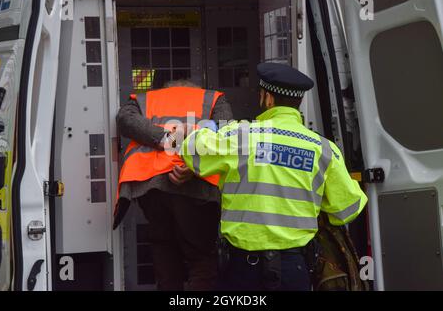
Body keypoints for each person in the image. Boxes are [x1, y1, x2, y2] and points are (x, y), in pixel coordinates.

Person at [179, 63, 368, 291]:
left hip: (243, 268)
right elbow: (348, 208)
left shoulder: (241, 136)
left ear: (268, 99)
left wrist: (208, 128)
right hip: (295, 268)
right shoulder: (322, 149)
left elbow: (191, 150)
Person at [114, 80, 233, 291]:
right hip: (197, 187)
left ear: (167, 88)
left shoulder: (146, 99)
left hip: (153, 185)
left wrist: (168, 139)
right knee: (201, 258)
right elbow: (225, 134)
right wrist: (194, 166)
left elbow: (125, 120)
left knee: (164, 251)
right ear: (194, 88)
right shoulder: (214, 99)